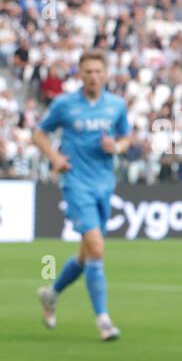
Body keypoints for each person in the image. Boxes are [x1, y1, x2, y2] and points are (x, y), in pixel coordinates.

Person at [34, 50, 130, 341]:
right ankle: (103, 320)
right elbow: (39, 133)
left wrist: (118, 147)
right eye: (87, 71)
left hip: (104, 184)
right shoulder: (65, 105)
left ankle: (51, 293)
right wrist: (54, 157)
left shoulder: (116, 105)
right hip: (75, 183)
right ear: (80, 74)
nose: (93, 76)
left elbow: (126, 138)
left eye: (98, 71)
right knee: (97, 249)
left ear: (106, 74)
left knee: (86, 254)